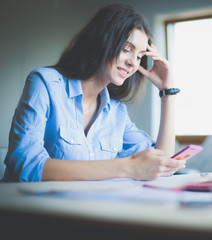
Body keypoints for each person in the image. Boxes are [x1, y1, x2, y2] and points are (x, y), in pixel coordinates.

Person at [3, 4, 185, 182]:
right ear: (102, 40)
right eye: (126, 49)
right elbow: (25, 164)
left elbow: (163, 165)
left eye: (139, 56)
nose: (133, 63)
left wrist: (167, 91)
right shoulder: (45, 83)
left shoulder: (116, 111)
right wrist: (127, 167)